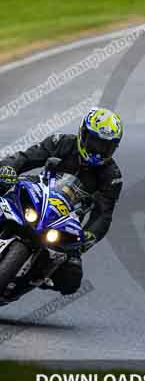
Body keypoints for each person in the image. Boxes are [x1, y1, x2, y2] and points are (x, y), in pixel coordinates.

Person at [0, 107, 123, 295]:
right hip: (38, 195)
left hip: (65, 221)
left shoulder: (112, 176)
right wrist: (9, 168)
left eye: (106, 147)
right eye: (95, 143)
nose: (98, 152)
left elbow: (104, 214)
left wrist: (90, 235)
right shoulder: (62, 143)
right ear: (83, 134)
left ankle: (33, 278)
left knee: (71, 280)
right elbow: (26, 157)